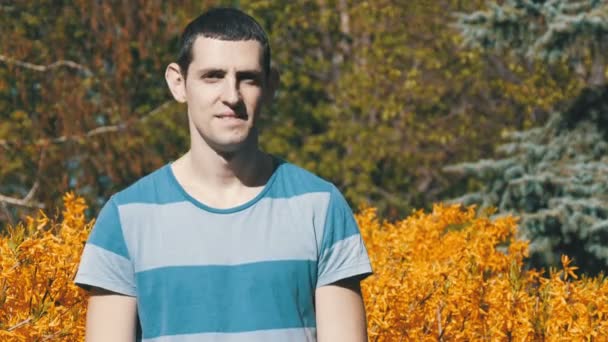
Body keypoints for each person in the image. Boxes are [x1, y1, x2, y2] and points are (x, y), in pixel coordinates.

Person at [75, 7, 372, 342]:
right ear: (178, 83)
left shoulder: (320, 207)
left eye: (248, 78)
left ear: (270, 86)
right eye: (212, 76)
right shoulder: (125, 218)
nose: (232, 96)